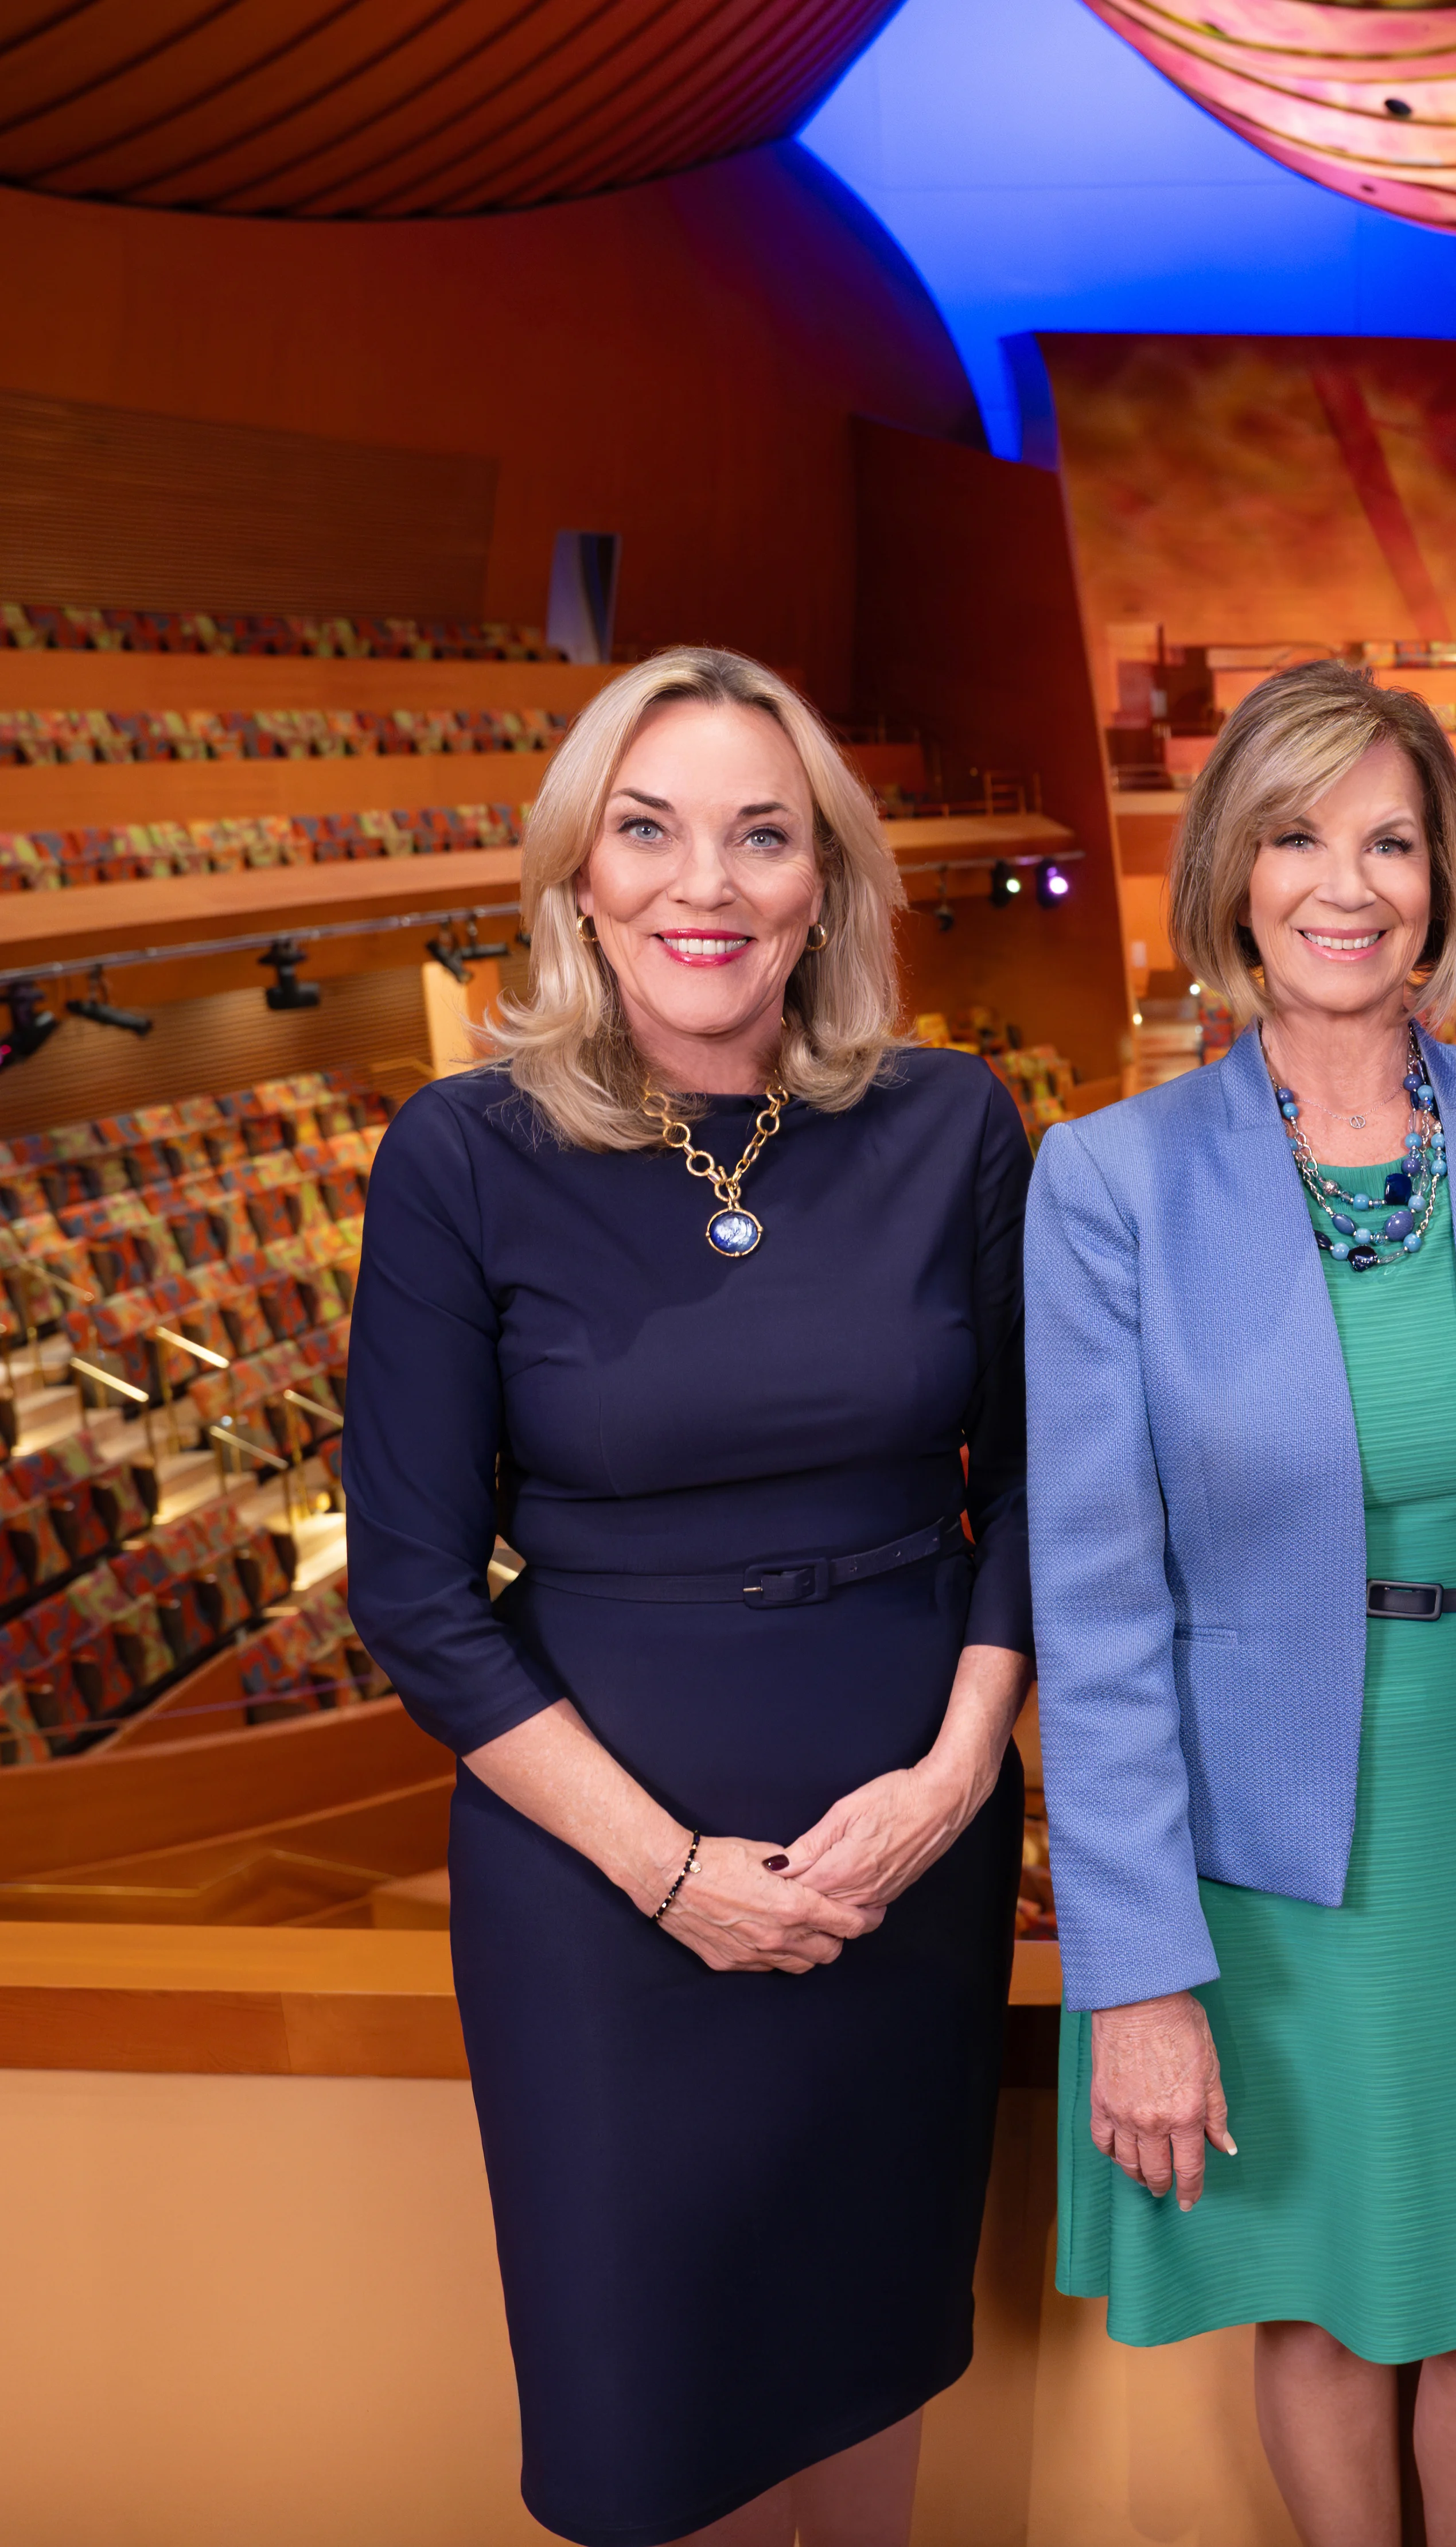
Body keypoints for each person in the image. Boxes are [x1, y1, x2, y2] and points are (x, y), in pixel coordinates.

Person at [344, 647, 1031, 2547]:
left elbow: (1038, 1480)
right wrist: (665, 1870)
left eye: (759, 835)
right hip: (601, 1888)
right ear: (581, 874)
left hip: (904, 1846)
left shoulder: (952, 1122)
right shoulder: (462, 1155)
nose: (702, 884)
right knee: (653, 2432)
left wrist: (960, 1770)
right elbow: (411, 1584)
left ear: (826, 882)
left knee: (868, 2367)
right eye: (647, 831)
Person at [1027, 659, 1456, 2547]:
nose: (1348, 880)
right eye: (1300, 833)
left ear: (1442, 877)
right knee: (1319, 2290)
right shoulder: (1111, 1183)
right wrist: (1137, 1966)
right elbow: (1095, 1604)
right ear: (1230, 870)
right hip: (1259, 1836)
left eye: (1392, 838)